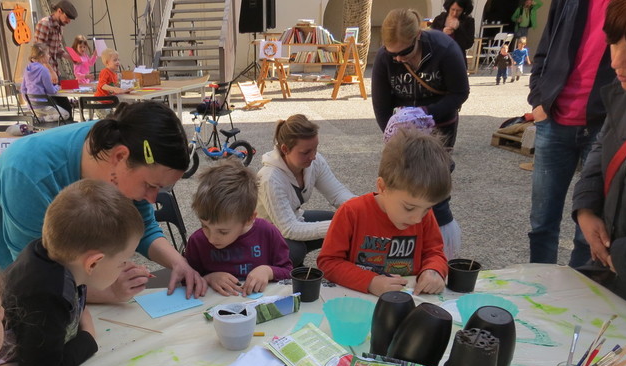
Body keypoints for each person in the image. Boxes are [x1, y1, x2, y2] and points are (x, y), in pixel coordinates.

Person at [0, 100, 206, 301]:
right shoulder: (29, 174)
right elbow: (34, 277)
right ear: (120, 156)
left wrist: (178, 263)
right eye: (151, 186)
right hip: (3, 256)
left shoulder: (123, 141)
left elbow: (142, 223)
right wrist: (108, 291)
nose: (153, 199)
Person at [0, 180, 145, 366]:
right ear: (93, 263)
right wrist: (88, 336)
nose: (126, 266)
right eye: (123, 261)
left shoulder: (50, 254)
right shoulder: (47, 294)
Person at [371, 9, 467, 258]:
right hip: (402, 131)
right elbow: (381, 107)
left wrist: (427, 113)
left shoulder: (445, 49)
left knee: (434, 187)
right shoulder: (385, 58)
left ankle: (440, 250)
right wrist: (395, 136)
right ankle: (400, 249)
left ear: (418, 37)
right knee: (402, 186)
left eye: (404, 52)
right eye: (392, 54)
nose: (398, 59)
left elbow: (460, 92)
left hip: (440, 127)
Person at [526, 0, 615, 266]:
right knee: (542, 222)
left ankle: (580, 285)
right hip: (554, 117)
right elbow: (545, 46)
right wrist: (538, 98)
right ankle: (540, 285)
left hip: (604, 124)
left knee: (589, 230)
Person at [317, 129, 450, 296]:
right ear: (382, 187)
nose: (417, 218)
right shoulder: (351, 212)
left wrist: (434, 270)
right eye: (409, 208)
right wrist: (370, 281)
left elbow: (434, 252)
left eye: (428, 208)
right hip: (359, 300)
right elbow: (328, 262)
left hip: (409, 299)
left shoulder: (423, 215)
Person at [572, 0, 626, 302]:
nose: (617, 61)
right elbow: (602, 148)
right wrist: (586, 209)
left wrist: (619, 253)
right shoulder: (623, 94)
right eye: (614, 43)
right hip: (612, 277)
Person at [256, 114, 354, 268]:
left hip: (293, 219)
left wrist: (362, 208)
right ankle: (282, 269)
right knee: (296, 251)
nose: (313, 156)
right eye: (306, 152)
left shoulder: (315, 161)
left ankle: (342, 267)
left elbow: (338, 194)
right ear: (285, 149)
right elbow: (289, 229)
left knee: (342, 219)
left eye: (315, 148)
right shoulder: (270, 178)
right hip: (265, 234)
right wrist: (338, 226)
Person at [184, 159, 292, 296]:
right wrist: (208, 278)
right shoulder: (197, 241)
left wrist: (268, 271)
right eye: (204, 226)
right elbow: (185, 280)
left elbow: (289, 272)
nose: (211, 238)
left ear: (248, 219)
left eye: (223, 232)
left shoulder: (267, 232)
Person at [20, 43, 70, 121]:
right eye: (47, 54)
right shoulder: (44, 70)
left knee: (53, 114)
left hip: (32, 106)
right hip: (43, 106)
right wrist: (57, 87)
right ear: (41, 56)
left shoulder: (27, 69)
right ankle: (43, 119)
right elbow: (51, 90)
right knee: (66, 114)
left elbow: (23, 89)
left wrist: (28, 101)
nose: (49, 56)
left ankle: (41, 119)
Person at [33, 0, 77, 79]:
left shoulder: (60, 27)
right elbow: (39, 52)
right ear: (59, 11)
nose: (68, 21)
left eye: (70, 19)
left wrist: (70, 57)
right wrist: (50, 71)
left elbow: (56, 48)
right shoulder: (45, 23)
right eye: (67, 17)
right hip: (43, 72)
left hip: (54, 69)